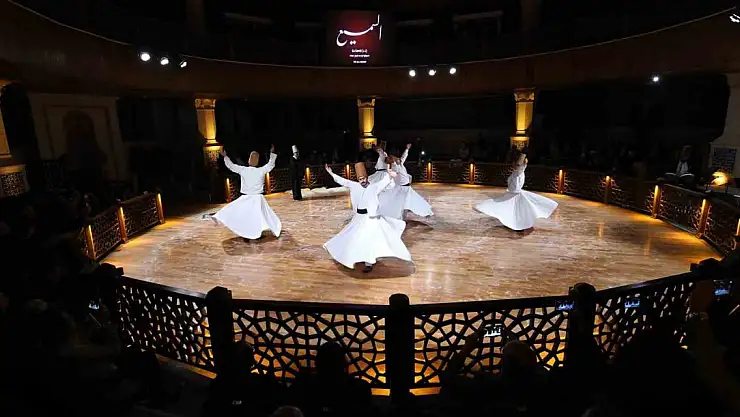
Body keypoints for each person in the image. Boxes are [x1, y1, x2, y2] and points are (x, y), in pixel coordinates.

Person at [323, 162, 411, 273]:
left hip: (369, 218)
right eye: (360, 179)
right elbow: (343, 181)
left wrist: (389, 175)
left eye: (364, 178)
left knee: (368, 240)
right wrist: (331, 173)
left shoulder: (374, 187)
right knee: (352, 238)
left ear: (367, 177)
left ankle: (368, 263)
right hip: (358, 218)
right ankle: (353, 257)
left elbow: (384, 182)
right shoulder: (354, 186)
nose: (362, 181)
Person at [213, 146, 282, 242]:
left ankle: (249, 234)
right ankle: (254, 233)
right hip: (257, 198)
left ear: (249, 160)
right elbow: (270, 165)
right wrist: (272, 153)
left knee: (247, 216)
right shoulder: (260, 170)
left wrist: (225, 156)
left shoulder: (244, 170)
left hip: (248, 198)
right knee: (257, 217)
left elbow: (231, 166)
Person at [475, 152, 558, 231]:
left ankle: (517, 224)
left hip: (514, 194)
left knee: (514, 209)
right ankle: (513, 223)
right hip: (512, 193)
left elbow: (515, 186)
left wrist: (512, 191)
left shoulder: (518, 174)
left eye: (516, 164)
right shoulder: (518, 173)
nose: (513, 165)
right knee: (513, 209)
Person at [380, 144, 433, 219]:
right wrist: (393, 171)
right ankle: (399, 217)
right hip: (401, 188)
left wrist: (407, 149)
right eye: (391, 158)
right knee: (401, 203)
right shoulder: (393, 167)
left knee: (414, 201)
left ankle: (425, 212)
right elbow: (393, 171)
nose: (395, 159)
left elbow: (403, 157)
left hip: (407, 188)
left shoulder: (399, 163)